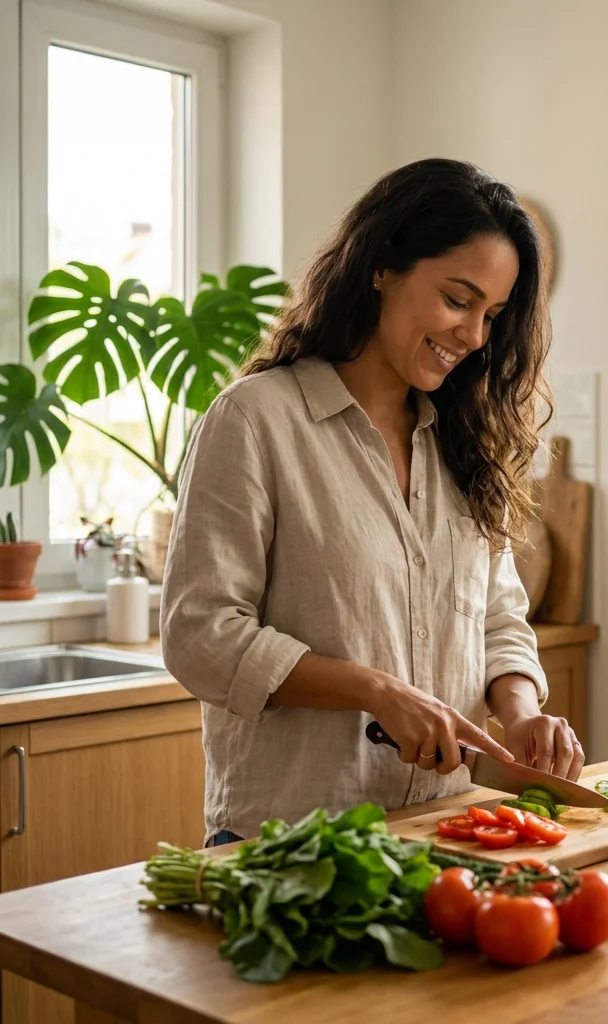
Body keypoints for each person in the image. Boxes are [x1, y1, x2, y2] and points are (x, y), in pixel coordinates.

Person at [160, 158, 584, 847]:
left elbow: (497, 616)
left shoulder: (465, 442)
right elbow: (199, 634)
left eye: (492, 315)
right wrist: (375, 691)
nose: (475, 336)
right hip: (290, 843)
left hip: (443, 828)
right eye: (458, 300)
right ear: (383, 266)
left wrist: (521, 712)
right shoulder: (256, 420)